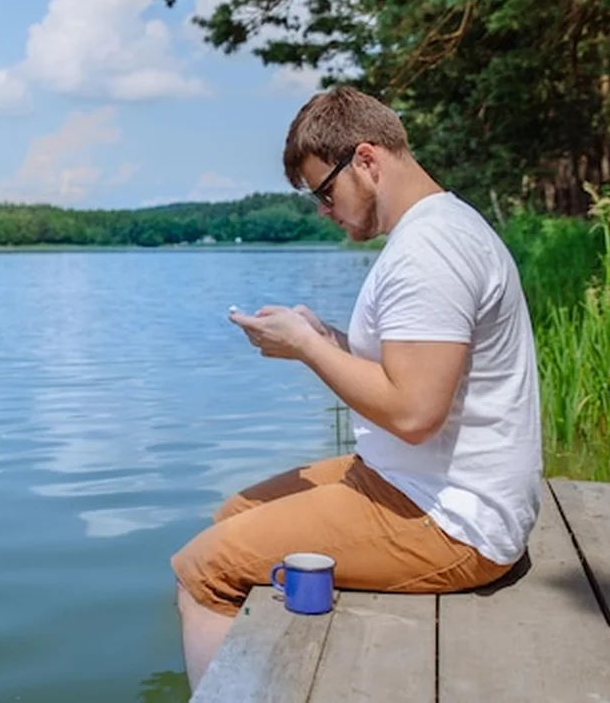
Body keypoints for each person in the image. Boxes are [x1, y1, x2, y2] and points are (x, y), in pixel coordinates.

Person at [172, 85, 543, 691]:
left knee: (202, 571)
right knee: (233, 515)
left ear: (366, 161)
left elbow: (416, 412)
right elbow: (414, 374)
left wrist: (307, 346)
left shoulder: (429, 251)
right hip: (417, 483)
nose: (323, 210)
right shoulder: (441, 229)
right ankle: (272, 675)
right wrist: (329, 338)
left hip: (450, 520)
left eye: (324, 192)